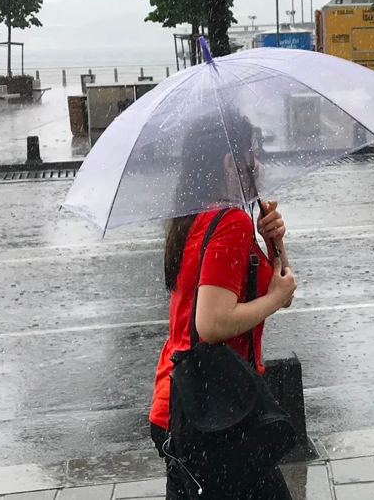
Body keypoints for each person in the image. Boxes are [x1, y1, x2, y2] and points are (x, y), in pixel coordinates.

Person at [150, 112, 298, 500]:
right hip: (215, 409)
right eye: (255, 153)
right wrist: (274, 299)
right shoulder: (230, 222)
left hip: (183, 400)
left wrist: (274, 244)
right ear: (233, 163)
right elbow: (212, 323)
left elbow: (282, 288)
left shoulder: (195, 216)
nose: (261, 164)